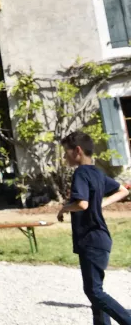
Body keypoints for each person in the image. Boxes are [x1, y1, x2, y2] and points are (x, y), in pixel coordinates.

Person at [58, 131, 131, 325]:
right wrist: (101, 205)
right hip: (100, 238)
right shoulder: (97, 173)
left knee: (94, 291)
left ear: (78, 151)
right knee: (96, 292)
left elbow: (82, 204)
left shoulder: (81, 173)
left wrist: (64, 208)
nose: (65, 156)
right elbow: (123, 190)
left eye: (67, 152)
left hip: (90, 238)